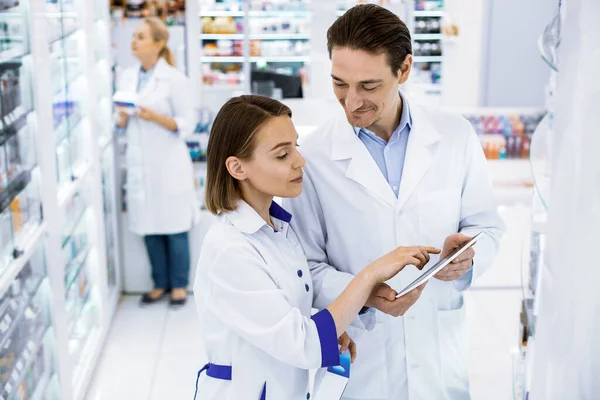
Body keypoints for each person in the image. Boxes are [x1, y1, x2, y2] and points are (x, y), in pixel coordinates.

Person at [283, 4, 505, 400]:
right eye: (339, 84)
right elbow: (307, 268)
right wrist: (365, 292)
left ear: (403, 70)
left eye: (368, 86)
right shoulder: (313, 157)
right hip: (364, 359)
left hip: (438, 351)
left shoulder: (454, 135)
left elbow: (485, 225)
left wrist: (468, 256)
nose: (351, 102)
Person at [192, 95, 439, 399]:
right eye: (283, 154)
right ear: (237, 167)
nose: (300, 160)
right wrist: (370, 275)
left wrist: (359, 304)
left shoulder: (278, 227)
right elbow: (304, 343)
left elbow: (298, 291)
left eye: (295, 146)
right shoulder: (230, 249)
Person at [115, 17, 196, 306]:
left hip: (168, 165)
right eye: (134, 36)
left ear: (158, 44)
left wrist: (155, 117)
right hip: (140, 164)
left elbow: (188, 124)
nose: (133, 41)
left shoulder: (174, 79)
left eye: (140, 36)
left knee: (174, 228)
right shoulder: (126, 76)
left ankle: (178, 285)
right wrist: (122, 118)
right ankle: (159, 283)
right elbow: (120, 119)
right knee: (148, 227)